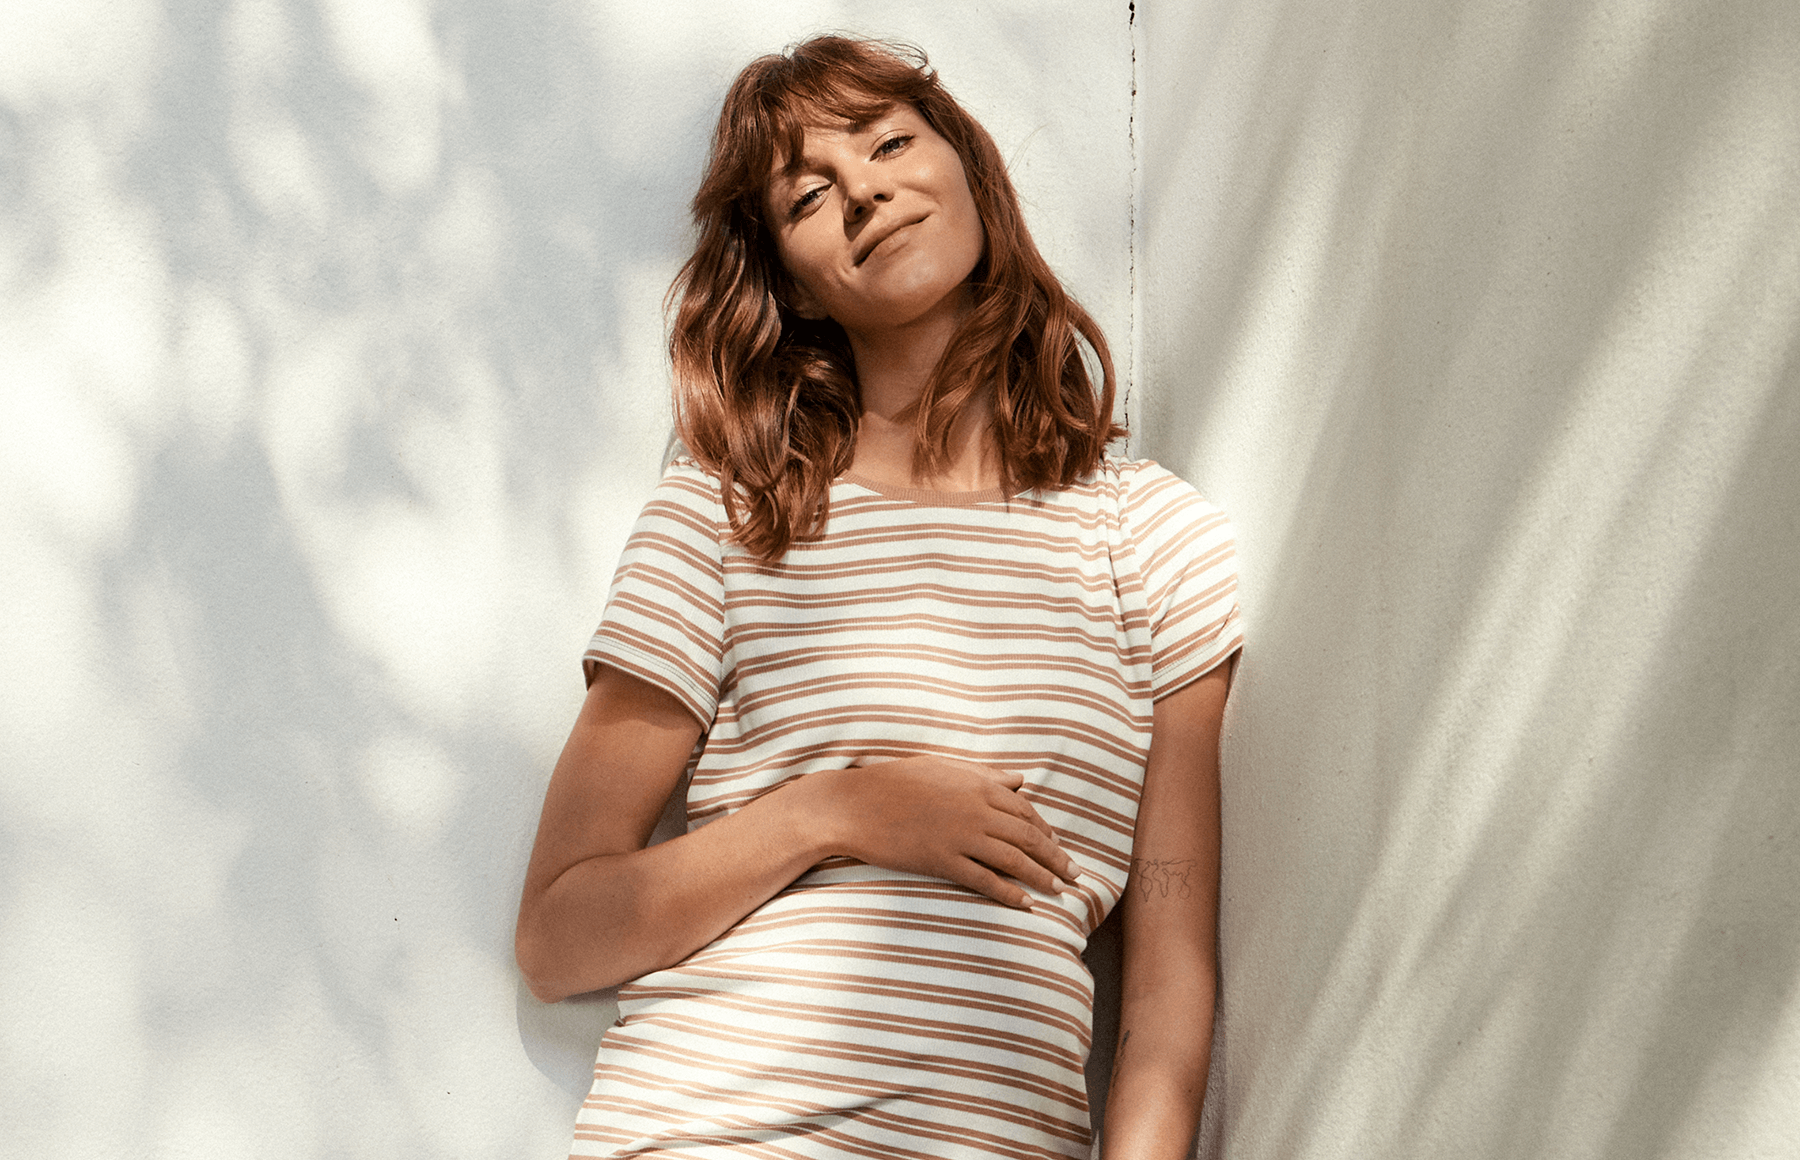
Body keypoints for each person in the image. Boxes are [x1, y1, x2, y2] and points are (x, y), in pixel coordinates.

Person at [515, 34, 1242, 1160]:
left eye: (892, 142)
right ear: (792, 282)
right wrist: (839, 809)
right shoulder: (725, 514)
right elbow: (561, 932)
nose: (866, 191)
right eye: (810, 194)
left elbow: (1168, 976)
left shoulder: (1154, 540)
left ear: (968, 171)